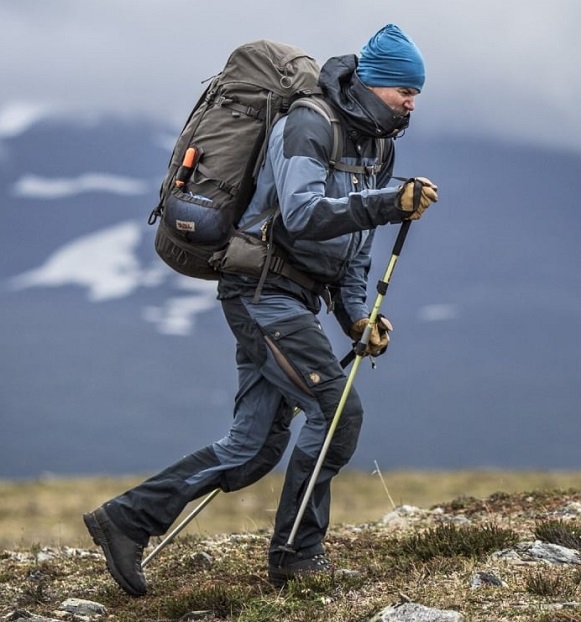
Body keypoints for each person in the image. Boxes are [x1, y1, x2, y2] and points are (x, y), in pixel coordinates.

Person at [83, 23, 439, 597]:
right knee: (335, 412)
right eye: (406, 89)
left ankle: (126, 519)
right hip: (259, 292)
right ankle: (297, 557)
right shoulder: (309, 123)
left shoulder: (379, 143)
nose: (411, 101)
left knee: (251, 450)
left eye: (416, 93)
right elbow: (301, 214)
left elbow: (353, 254)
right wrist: (385, 204)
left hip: (293, 297)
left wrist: (355, 318)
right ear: (374, 83)